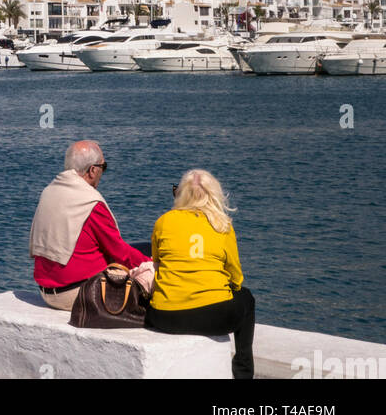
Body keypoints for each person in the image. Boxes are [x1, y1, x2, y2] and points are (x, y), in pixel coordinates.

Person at [144, 168, 255, 380]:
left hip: (164, 316)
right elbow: (236, 278)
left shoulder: (164, 221)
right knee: (247, 299)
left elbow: (157, 264)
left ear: (181, 194)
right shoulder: (223, 226)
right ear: (214, 195)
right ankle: (243, 374)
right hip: (213, 317)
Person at [29, 139, 154, 310]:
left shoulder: (49, 191)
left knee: (142, 248)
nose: (103, 172)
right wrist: (152, 264)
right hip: (78, 293)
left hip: (47, 292)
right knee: (149, 267)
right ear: (92, 170)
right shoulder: (90, 203)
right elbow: (120, 253)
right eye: (104, 167)